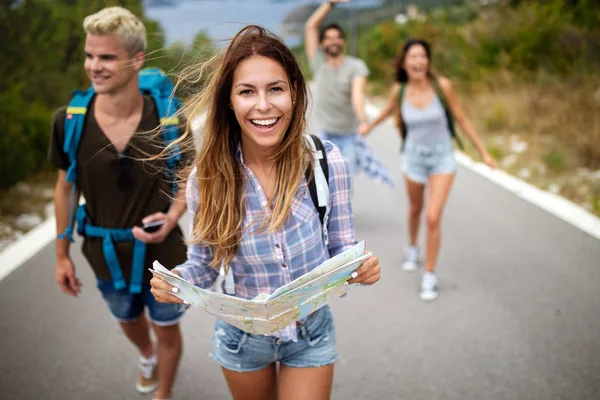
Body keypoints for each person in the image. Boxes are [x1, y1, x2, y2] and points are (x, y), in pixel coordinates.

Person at [149, 25, 381, 400]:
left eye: (275, 88)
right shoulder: (207, 180)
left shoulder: (325, 162)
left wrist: (362, 265)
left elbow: (343, 248)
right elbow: (204, 266)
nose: (263, 105)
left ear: (294, 93)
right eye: (246, 92)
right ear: (229, 101)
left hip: (310, 333)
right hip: (243, 341)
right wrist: (179, 281)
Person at [49, 7, 190, 400]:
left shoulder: (169, 118)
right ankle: (146, 355)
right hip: (102, 250)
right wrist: (62, 253)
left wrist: (174, 215)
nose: (94, 66)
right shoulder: (69, 120)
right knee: (127, 319)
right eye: (90, 55)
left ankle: (164, 392)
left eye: (107, 57)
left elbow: (187, 175)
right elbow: (65, 187)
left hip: (165, 252)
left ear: (136, 59)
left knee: (166, 326)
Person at [361, 38, 496, 301]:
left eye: (422, 56)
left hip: (442, 158)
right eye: (413, 57)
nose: (418, 61)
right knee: (415, 209)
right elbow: (387, 112)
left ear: (428, 61)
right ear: (404, 62)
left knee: (433, 217)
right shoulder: (399, 90)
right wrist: (369, 127)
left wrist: (484, 152)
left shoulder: (442, 86)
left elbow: (461, 117)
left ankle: (429, 275)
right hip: (413, 158)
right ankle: (412, 246)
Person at [304, 0, 369, 175]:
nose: (333, 41)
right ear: (322, 43)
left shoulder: (356, 66)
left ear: (343, 41)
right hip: (325, 135)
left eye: (337, 37)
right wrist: (330, 3)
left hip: (349, 135)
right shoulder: (318, 62)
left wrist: (363, 119)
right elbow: (311, 26)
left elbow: (358, 96)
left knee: (344, 182)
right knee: (323, 183)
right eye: (328, 38)